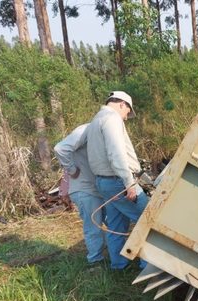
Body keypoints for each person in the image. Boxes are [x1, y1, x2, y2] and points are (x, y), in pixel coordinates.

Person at [85, 91, 149, 270]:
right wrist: (129, 183)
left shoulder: (96, 120)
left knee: (115, 223)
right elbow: (117, 155)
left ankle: (119, 266)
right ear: (122, 104)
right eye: (128, 112)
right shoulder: (112, 119)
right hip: (118, 182)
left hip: (104, 182)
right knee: (148, 220)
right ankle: (147, 266)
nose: (126, 117)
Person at [54, 124, 106, 266]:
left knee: (110, 222)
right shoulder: (86, 130)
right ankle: (95, 262)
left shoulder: (102, 132)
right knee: (93, 227)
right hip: (85, 189)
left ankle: (113, 256)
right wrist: (71, 169)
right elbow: (60, 149)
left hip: (97, 188)